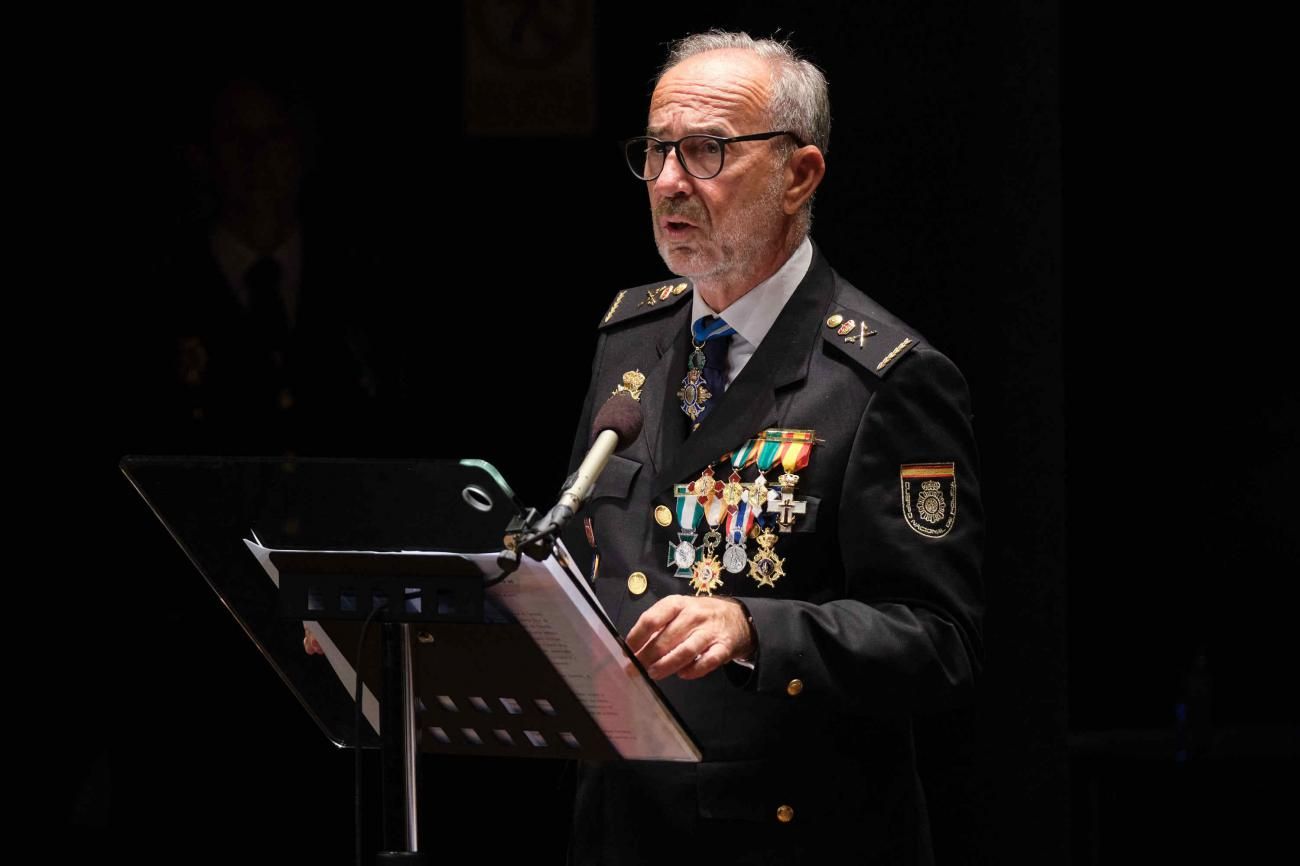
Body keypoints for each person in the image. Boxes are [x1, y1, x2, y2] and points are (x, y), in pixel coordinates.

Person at [561, 31, 984, 865]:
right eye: (655, 150)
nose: (670, 181)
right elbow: (584, 556)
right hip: (622, 829)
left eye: (707, 150)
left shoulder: (882, 378)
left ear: (800, 175)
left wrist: (754, 626)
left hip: (783, 836)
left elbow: (940, 642)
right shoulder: (630, 337)